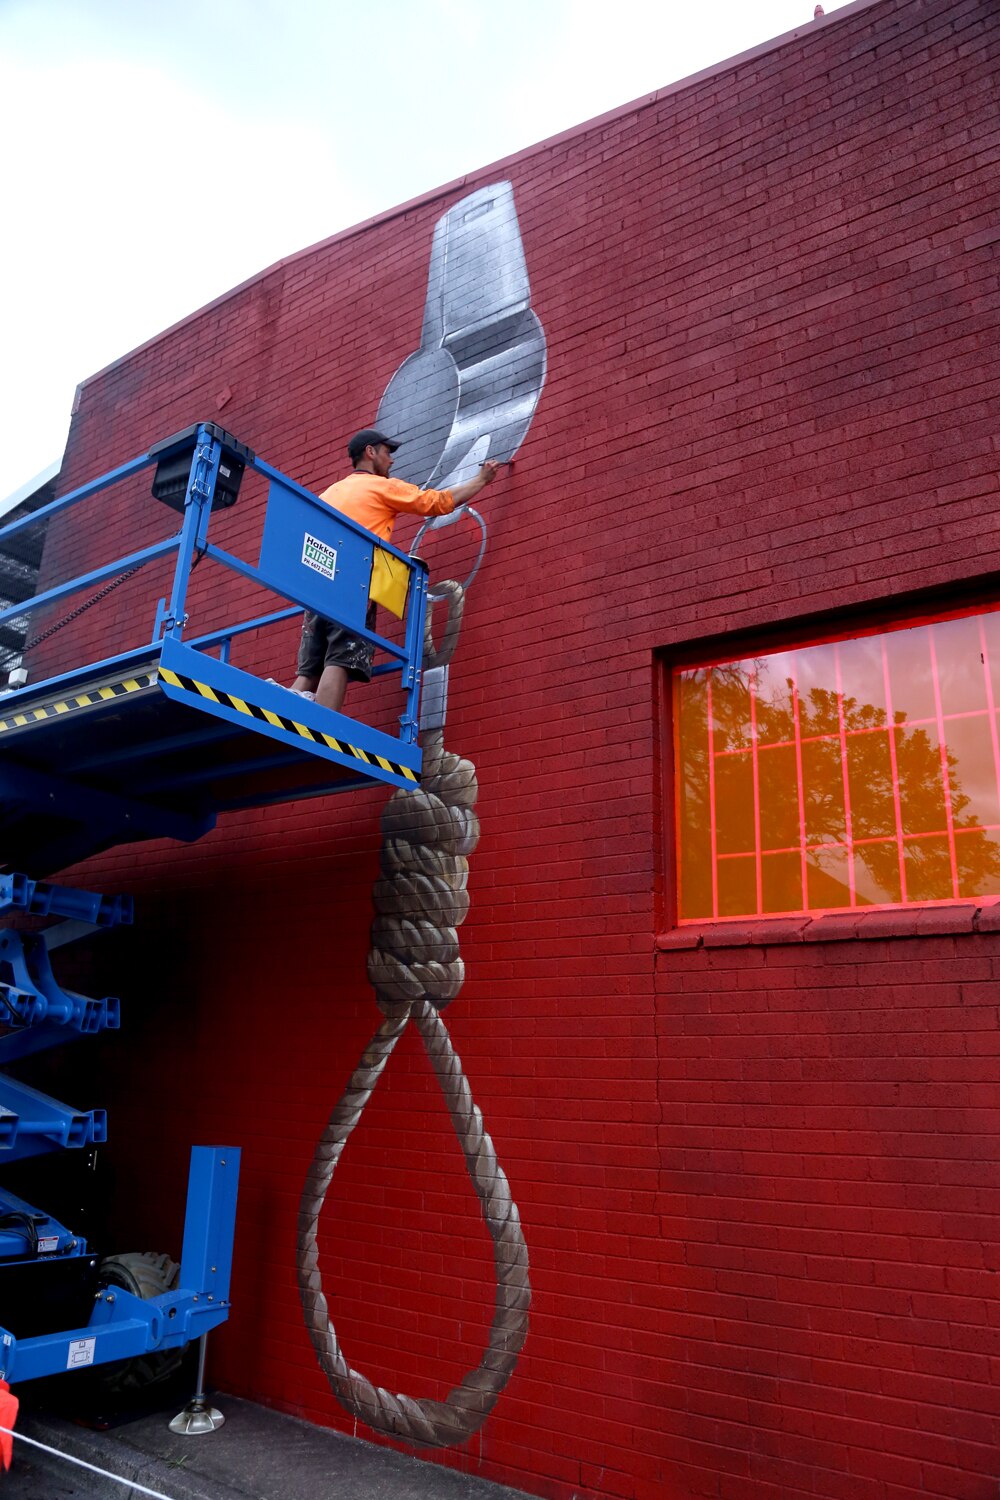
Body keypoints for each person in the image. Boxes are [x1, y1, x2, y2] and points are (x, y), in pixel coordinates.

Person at [291, 428, 500, 712]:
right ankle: (324, 725)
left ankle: (291, 703)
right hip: (354, 582)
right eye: (387, 453)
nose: (391, 461)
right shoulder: (381, 486)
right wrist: (481, 480)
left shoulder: (329, 492)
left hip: (318, 581)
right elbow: (436, 503)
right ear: (370, 452)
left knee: (311, 663)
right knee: (341, 656)